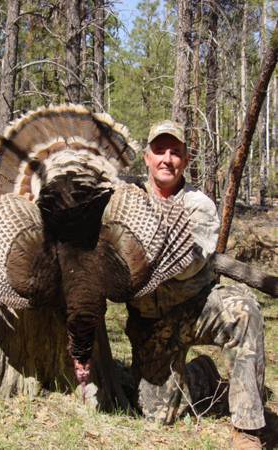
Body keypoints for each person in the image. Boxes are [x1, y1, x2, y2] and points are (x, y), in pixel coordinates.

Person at [125, 120, 265, 450]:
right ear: (146, 157)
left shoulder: (198, 204)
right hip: (149, 323)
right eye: (159, 151)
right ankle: (203, 375)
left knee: (243, 311)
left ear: (186, 160)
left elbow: (188, 265)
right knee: (157, 413)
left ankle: (247, 429)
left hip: (196, 307)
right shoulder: (127, 198)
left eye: (175, 152)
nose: (167, 159)